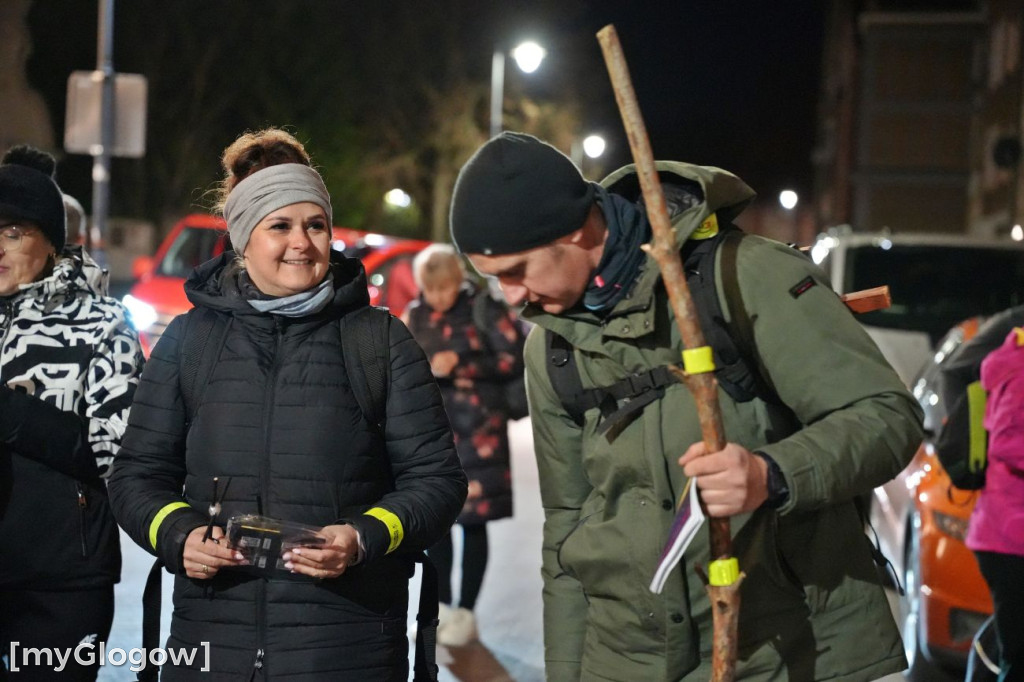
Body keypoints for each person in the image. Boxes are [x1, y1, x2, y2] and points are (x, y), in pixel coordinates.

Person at [449, 131, 924, 681]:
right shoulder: (549, 349)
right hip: (623, 661)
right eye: (493, 278)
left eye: (516, 270)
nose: (511, 295)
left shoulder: (746, 278)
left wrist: (772, 475)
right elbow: (567, 529)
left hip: (780, 652)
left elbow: (886, 413)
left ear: (574, 230)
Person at [108, 128, 467, 680]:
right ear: (243, 238)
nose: (302, 242)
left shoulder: (380, 341)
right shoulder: (190, 341)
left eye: (315, 225)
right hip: (211, 648)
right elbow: (135, 476)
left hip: (347, 650)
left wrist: (363, 538)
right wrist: (177, 535)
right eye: (280, 226)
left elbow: (438, 482)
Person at [0, 145, 144, 680]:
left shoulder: (102, 324)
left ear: (50, 242)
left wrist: (14, 413)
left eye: (13, 232)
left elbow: (123, 451)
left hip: (59, 581)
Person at [403, 243, 524, 646]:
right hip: (433, 434)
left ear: (457, 280)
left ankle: (467, 611)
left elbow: (514, 357)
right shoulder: (416, 314)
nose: (437, 297)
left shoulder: (483, 308)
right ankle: (444, 609)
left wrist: (463, 362)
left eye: (444, 288)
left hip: (481, 432)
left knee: (474, 523)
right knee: (438, 523)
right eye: (430, 289)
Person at [964, 325, 1024, 681]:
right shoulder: (1018, 368)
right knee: (1018, 660)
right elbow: (1005, 442)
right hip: (1010, 539)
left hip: (1004, 535)